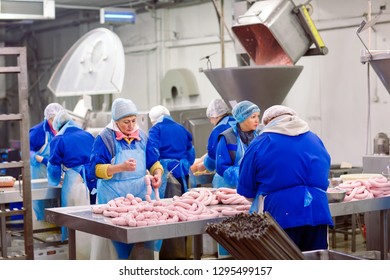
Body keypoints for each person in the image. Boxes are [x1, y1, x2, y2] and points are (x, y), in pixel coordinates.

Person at [237, 105, 333, 252]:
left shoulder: (261, 142)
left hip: (280, 215)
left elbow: (246, 189)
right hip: (318, 211)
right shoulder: (315, 139)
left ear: (268, 121)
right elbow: (323, 174)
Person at [89, 98, 163, 260]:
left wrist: (157, 174)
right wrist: (119, 167)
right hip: (113, 198)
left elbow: (153, 162)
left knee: (141, 249)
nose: (131, 125)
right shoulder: (105, 139)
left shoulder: (142, 137)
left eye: (133, 121)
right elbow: (95, 169)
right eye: (126, 122)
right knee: (116, 248)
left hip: (139, 198)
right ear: (115, 122)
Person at [47, 109, 95, 259]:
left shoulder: (59, 139)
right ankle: (91, 255)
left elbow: (53, 167)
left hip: (73, 184)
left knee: (74, 221)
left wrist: (55, 180)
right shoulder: (87, 134)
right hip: (92, 183)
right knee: (92, 221)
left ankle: (78, 256)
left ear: (58, 126)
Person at [146, 105, 195, 198]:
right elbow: (190, 152)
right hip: (184, 172)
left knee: (169, 205)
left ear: (153, 120)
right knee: (186, 203)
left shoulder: (155, 129)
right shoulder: (181, 128)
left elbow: (152, 152)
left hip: (166, 174)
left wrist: (151, 168)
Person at [190, 99, 237, 188]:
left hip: (227, 177)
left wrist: (204, 165)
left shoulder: (219, 129)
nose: (211, 122)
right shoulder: (236, 123)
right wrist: (202, 160)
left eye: (210, 119)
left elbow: (214, 154)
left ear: (215, 116)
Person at [29, 102, 63, 221]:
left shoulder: (60, 129)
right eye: (53, 120)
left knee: (55, 206)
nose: (56, 123)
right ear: (48, 118)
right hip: (39, 175)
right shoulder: (38, 131)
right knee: (41, 207)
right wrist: (42, 159)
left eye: (58, 120)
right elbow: (25, 152)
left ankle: (55, 233)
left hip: (54, 175)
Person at [214, 100, 260, 189]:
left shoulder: (259, 136)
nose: (257, 120)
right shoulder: (227, 137)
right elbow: (221, 166)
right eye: (253, 117)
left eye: (258, 116)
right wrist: (241, 175)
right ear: (242, 117)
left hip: (254, 186)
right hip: (230, 188)